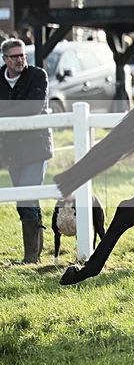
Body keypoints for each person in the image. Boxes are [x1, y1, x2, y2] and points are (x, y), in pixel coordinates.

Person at [0, 38, 54, 264]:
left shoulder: (37, 75)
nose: (21, 60)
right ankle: (33, 254)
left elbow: (33, 107)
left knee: (27, 197)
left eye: (23, 55)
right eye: (15, 56)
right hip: (11, 151)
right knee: (22, 198)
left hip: (36, 148)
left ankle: (32, 257)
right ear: (5, 59)